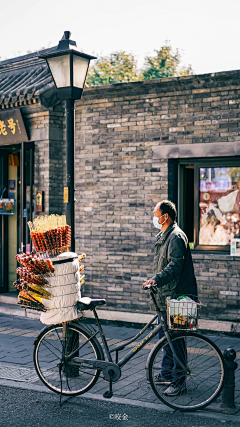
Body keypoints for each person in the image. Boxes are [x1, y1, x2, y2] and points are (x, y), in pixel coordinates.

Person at [143, 200, 198, 397]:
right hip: (166, 296)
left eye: (156, 213)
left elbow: (175, 266)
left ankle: (179, 380)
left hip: (178, 297)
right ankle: (166, 373)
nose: (154, 217)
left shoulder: (175, 237)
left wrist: (155, 279)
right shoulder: (164, 235)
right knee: (165, 339)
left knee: (176, 340)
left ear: (165, 216)